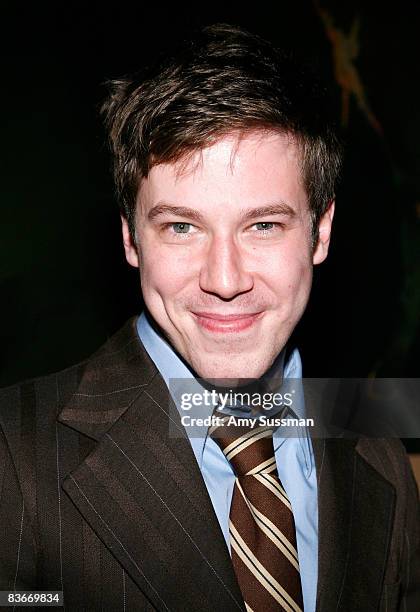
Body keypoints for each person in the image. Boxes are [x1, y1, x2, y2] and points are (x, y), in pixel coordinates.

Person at [0, 23, 419, 612]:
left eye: (264, 226)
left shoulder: (377, 446)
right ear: (130, 238)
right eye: (181, 227)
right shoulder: (12, 454)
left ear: (321, 231)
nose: (224, 280)